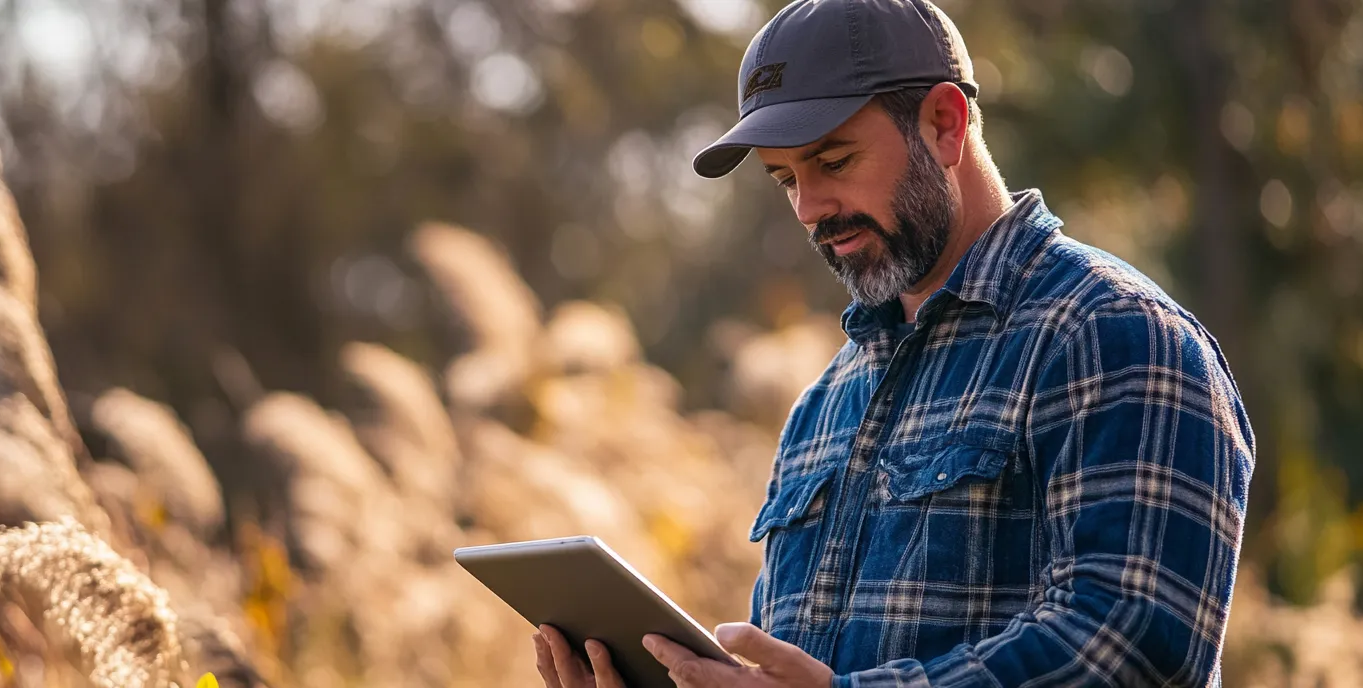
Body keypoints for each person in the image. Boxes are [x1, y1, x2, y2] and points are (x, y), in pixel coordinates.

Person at [532, 0, 1256, 685]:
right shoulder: (823, 406)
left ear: (945, 123)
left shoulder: (1115, 335)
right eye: (785, 179)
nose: (811, 209)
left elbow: (1135, 644)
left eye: (834, 161)